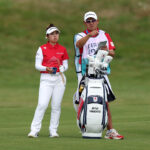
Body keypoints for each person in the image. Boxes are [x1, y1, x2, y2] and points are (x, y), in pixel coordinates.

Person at [73, 11, 124, 140]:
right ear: (85, 23)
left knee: (105, 101)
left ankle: (110, 130)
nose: (91, 23)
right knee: (81, 100)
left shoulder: (104, 35)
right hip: (85, 72)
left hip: (101, 72)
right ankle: (85, 124)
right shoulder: (79, 35)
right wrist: (90, 35)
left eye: (93, 20)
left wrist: (107, 51)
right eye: (88, 21)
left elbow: (112, 52)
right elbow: (79, 45)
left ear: (97, 21)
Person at [28, 24, 69, 138]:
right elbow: (37, 65)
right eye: (52, 34)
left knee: (56, 106)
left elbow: (66, 65)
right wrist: (46, 68)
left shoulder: (62, 49)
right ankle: (34, 130)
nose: (55, 36)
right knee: (42, 104)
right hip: (46, 79)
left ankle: (53, 131)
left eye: (56, 33)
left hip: (59, 80)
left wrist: (62, 68)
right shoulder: (42, 48)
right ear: (47, 36)